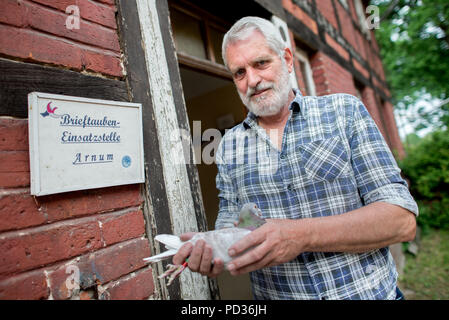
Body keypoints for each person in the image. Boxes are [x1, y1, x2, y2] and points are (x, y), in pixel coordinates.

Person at [173, 16, 418, 300]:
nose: (252, 80)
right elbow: (235, 227)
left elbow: (401, 220)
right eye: (239, 72)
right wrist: (214, 251)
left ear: (287, 60)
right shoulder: (229, 146)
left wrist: (300, 235)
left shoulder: (345, 112)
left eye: (261, 63)